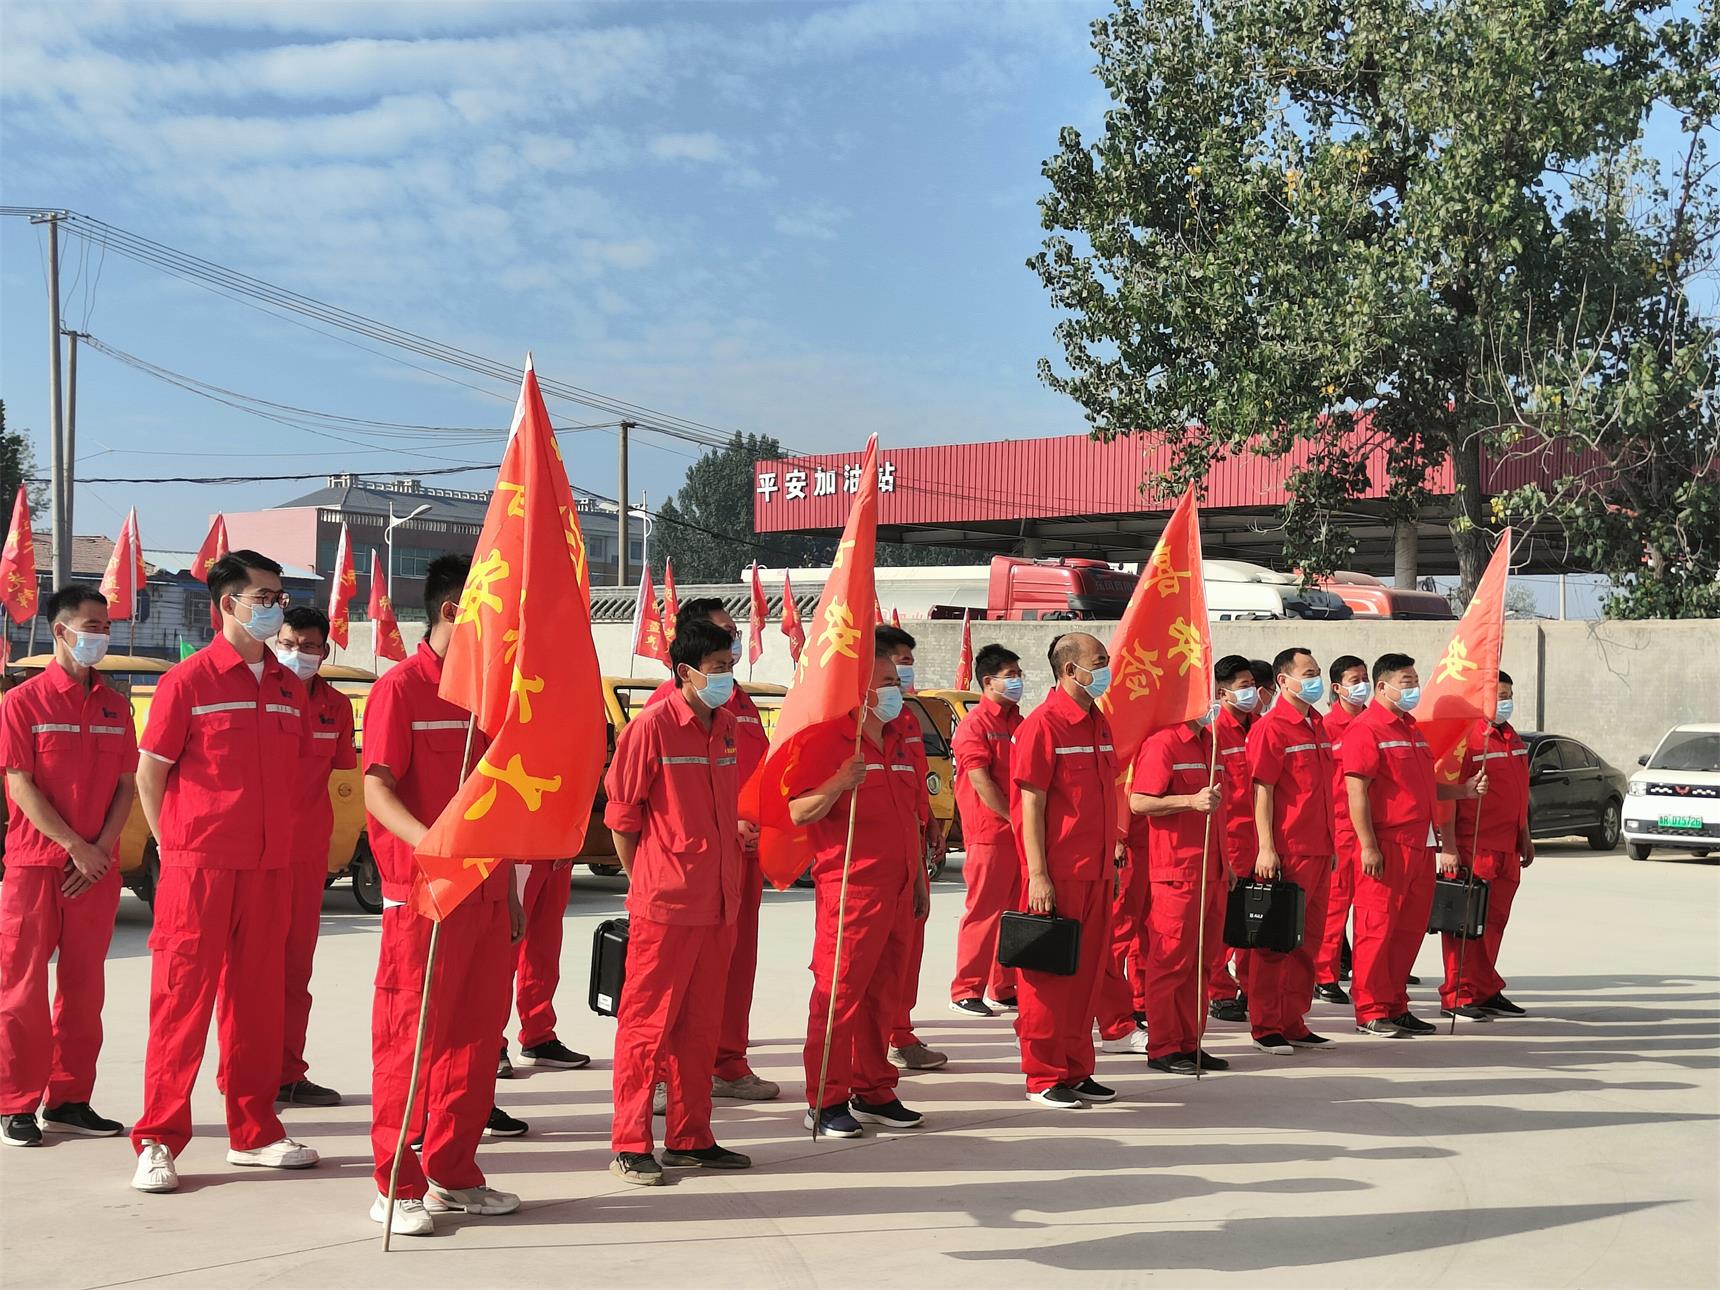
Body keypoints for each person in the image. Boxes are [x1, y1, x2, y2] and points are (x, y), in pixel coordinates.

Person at [130, 551, 320, 1193]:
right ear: (227, 603)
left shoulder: (289, 688)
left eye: (279, 597)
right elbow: (150, 773)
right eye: (263, 596)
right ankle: (158, 1138)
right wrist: (173, 845)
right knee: (180, 1003)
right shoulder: (188, 681)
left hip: (269, 868)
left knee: (258, 1005)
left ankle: (255, 1131)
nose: (275, 607)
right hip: (200, 868)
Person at [362, 554, 525, 1236]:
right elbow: (377, 789)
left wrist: (509, 890)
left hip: (486, 894)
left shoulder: (494, 694)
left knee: (475, 1042)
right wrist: (434, 844)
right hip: (422, 893)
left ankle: (453, 1173)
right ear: (455, 610)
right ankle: (395, 1185)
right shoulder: (400, 689)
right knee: (411, 1042)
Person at [604, 618, 753, 1184]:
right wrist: (644, 879)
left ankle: (691, 1137)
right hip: (665, 905)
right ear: (685, 672)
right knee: (647, 1028)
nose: (727, 678)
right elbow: (623, 819)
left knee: (700, 1027)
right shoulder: (652, 727)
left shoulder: (727, 726)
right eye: (717, 669)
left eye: (730, 667)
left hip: (718, 901)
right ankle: (631, 1142)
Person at [0, 585, 135, 1148]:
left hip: (95, 870)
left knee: (84, 989)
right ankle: (15, 1103)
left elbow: (127, 786)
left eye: (106, 626)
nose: (101, 634)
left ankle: (69, 1099)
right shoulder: (22, 702)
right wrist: (75, 846)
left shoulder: (115, 705)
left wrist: (100, 849)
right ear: (61, 630)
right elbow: (20, 785)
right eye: (92, 625)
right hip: (36, 865)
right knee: (21, 989)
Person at [640, 598, 778, 1102]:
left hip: (741, 861)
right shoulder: (665, 709)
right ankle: (661, 1074)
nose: (733, 644)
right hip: (688, 871)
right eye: (722, 635)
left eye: (734, 634)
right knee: (676, 980)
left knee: (735, 966)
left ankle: (727, 1061)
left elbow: (761, 771)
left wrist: (760, 823)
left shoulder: (739, 704)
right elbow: (637, 808)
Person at [790, 642, 930, 1138]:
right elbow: (798, 812)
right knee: (839, 996)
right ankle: (825, 1099)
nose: (898, 691)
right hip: (852, 890)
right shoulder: (829, 742)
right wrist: (837, 783)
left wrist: (919, 880)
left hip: (899, 889)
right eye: (888, 684)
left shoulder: (898, 739)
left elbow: (910, 817)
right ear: (861, 693)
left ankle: (874, 1089)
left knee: (883, 995)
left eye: (896, 682)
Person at [1342, 653, 1485, 1038]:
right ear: (1382, 686)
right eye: (1407, 682)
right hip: (1387, 843)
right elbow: (1357, 791)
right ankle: (1370, 1009)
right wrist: (1368, 845)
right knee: (1377, 928)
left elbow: (1423, 786)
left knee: (1408, 929)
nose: (1414, 688)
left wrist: (1463, 790)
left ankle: (1395, 1004)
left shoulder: (1411, 729)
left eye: (1416, 681)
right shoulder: (1365, 730)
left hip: (1421, 844)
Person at [1011, 632, 1119, 1107]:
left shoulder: (1098, 722)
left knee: (1087, 977)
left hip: (1096, 871)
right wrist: (1037, 875)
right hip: (1059, 874)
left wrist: (1111, 859)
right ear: (1071, 670)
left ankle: (1076, 1068)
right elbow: (1029, 807)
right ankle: (1043, 1074)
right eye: (1100, 660)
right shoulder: (1043, 725)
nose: (1107, 668)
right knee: (1048, 980)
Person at [270, 605, 354, 1109]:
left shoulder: (336, 708)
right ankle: (245, 1074)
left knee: (295, 970)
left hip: (305, 853)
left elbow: (340, 769)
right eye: (288, 644)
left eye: (308, 647)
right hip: (255, 851)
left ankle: (287, 1072)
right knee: (249, 971)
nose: (297, 654)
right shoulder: (257, 696)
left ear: (324, 651)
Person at [1132, 701, 1232, 1077]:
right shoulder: (1164, 743)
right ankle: (1164, 1046)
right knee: (1170, 961)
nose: (1213, 704)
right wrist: (1189, 801)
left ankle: (1191, 1042)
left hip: (1212, 870)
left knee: (1203, 961)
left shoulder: (1212, 742)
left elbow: (1219, 811)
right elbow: (1138, 801)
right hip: (1178, 871)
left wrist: (1227, 862)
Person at [1246, 647, 1337, 1054]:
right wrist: (1266, 848)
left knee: (1308, 941)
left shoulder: (1317, 724)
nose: (1314, 680)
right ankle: (1266, 1025)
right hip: (1288, 850)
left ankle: (1293, 1019)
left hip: (1319, 848)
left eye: (1317, 672)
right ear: (1283, 680)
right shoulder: (1271, 728)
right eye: (1308, 673)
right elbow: (1261, 791)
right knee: (1275, 942)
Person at [1439, 672, 1533, 1021]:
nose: (1504, 702)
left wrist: (1525, 834)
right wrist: (1449, 847)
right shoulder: (1467, 739)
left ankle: (1484, 988)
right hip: (1474, 845)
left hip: (1507, 847)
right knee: (1465, 925)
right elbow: (1447, 797)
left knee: (1494, 924)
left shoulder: (1512, 738)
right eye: (1498, 696)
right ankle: (1458, 994)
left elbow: (1519, 792)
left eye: (1508, 695)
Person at [876, 624, 948, 1073]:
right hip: (872, 862)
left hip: (911, 849)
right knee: (873, 962)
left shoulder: (906, 717)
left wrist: (929, 822)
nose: (908, 671)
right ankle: (878, 1040)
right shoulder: (859, 720)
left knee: (908, 948)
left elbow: (914, 778)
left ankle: (899, 1031)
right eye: (901, 663)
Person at [948, 644, 1025, 1017]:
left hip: (1018, 832)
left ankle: (1003, 986)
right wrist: (1013, 817)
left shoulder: (1019, 723)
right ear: (988, 681)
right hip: (990, 833)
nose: (1018, 682)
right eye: (1010, 676)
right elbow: (982, 781)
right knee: (983, 911)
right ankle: (966, 989)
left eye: (1019, 675)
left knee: (1013, 911)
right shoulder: (975, 725)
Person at [1208, 655, 1262, 1023]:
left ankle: (1249, 987)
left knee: (1255, 922)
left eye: (1253, 686)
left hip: (1263, 839)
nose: (1251, 693)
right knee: (1223, 925)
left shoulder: (1262, 728)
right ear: (1222, 693)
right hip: (1231, 841)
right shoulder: (1214, 734)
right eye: (1243, 687)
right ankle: (1220, 991)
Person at [1314, 655, 1369, 1004]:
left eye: (1364, 678)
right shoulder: (1326, 727)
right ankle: (1324, 974)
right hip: (1339, 829)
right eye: (1354, 679)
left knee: (1370, 907)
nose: (1361, 685)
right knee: (1334, 907)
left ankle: (1367, 971)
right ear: (1337, 687)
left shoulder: (1373, 724)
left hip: (1369, 829)